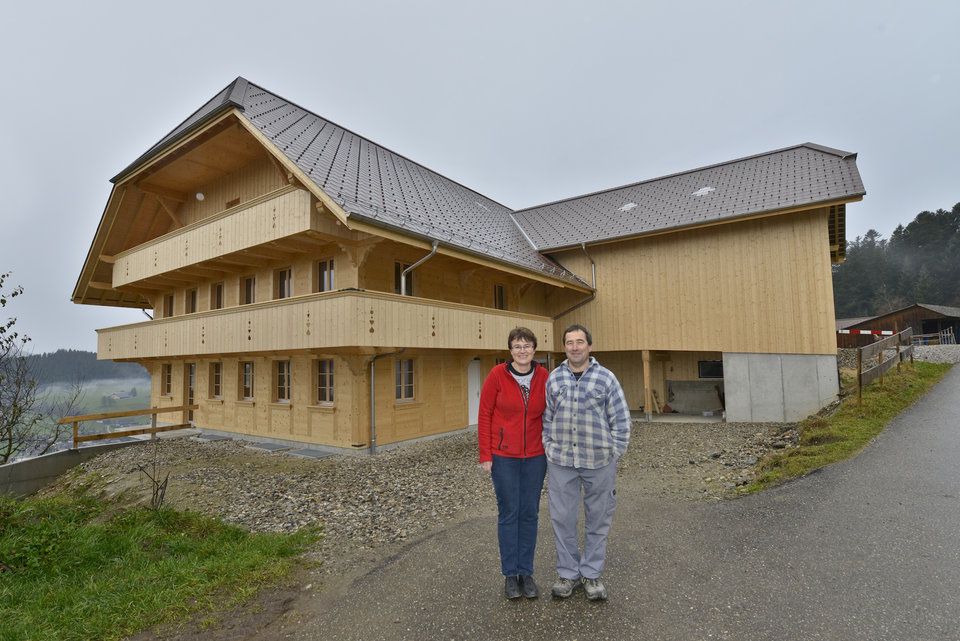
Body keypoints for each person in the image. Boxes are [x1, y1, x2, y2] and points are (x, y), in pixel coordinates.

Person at [542, 324, 631, 601]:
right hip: (561, 462)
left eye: (580, 341)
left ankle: (591, 574)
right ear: (564, 347)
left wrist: (614, 451)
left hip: (599, 462)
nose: (575, 347)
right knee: (562, 519)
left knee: (598, 519)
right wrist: (548, 446)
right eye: (570, 342)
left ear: (589, 346)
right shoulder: (554, 379)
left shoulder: (606, 378)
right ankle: (568, 574)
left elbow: (621, 419)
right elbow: (547, 418)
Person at [478, 327, 549, 599]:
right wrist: (486, 455)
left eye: (527, 345)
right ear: (510, 350)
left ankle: (526, 573)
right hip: (504, 457)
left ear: (534, 349)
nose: (522, 351)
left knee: (529, 513)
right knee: (509, 512)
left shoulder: (544, 376)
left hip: (535, 457)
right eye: (517, 346)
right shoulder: (497, 375)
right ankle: (510, 574)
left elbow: (552, 413)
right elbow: (485, 414)